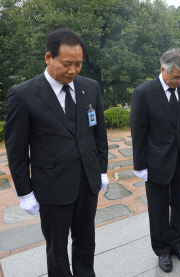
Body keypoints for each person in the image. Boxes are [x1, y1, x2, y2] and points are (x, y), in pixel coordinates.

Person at [4, 29, 109, 277]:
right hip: (52, 186)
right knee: (57, 248)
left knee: (86, 240)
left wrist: (102, 170)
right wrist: (25, 192)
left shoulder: (90, 87)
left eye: (78, 64)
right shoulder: (23, 94)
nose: (73, 70)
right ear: (49, 57)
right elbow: (16, 150)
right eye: (66, 64)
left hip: (87, 182)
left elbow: (99, 134)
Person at [130, 49, 180, 272]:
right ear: (163, 69)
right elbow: (138, 131)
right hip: (156, 161)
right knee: (159, 209)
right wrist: (139, 165)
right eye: (175, 77)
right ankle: (161, 250)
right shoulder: (144, 92)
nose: (179, 81)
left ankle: (177, 244)